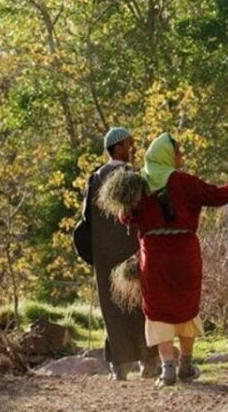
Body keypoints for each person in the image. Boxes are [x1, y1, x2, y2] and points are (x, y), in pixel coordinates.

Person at [117, 133, 228, 387]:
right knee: (186, 306)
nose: (181, 156)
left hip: (155, 255)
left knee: (158, 308)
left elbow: (125, 217)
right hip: (184, 252)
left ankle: (167, 369)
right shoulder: (183, 182)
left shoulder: (138, 185)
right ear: (167, 155)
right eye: (178, 152)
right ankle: (185, 365)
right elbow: (216, 195)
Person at [79, 127, 158, 380]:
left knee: (112, 308)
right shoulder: (134, 177)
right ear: (118, 147)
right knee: (141, 306)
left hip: (105, 259)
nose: (133, 148)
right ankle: (149, 361)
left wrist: (92, 256)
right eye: (129, 144)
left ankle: (120, 366)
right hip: (136, 253)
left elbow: (85, 221)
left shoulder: (96, 178)